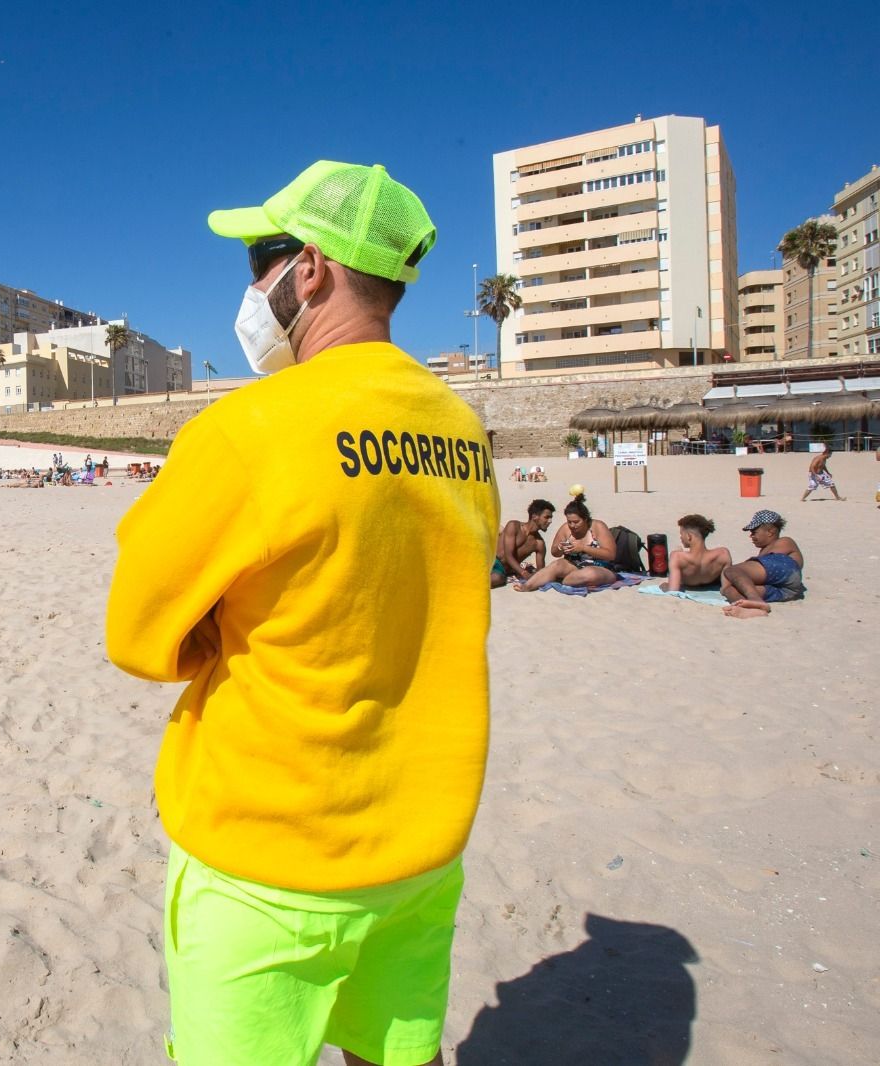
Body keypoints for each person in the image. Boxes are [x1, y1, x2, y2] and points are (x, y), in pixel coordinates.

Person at [107, 160, 496, 1066]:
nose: (253, 288)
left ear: (311, 270)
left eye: (261, 261)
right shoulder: (461, 431)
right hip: (421, 847)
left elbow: (134, 632)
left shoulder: (251, 429)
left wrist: (218, 632)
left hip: (269, 855)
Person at [514, 493, 619, 591]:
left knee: (590, 574)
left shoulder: (598, 527)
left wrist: (584, 548)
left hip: (600, 568)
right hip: (574, 567)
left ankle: (563, 581)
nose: (572, 525)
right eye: (569, 522)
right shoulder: (566, 529)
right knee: (557, 564)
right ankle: (527, 586)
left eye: (576, 522)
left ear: (585, 519)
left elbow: (611, 555)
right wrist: (560, 548)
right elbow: (554, 552)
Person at [721, 510, 804, 617]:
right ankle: (752, 609)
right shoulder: (765, 551)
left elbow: (766, 562)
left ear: (770, 532)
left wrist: (740, 569)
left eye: (754, 532)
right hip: (787, 590)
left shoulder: (784, 541)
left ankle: (755, 600)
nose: (751, 536)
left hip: (787, 570)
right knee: (730, 590)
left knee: (732, 571)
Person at [493, 499, 554, 587]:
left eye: (551, 518)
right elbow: (508, 555)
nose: (550, 521)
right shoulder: (513, 526)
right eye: (547, 517)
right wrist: (524, 573)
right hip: (491, 560)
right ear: (534, 516)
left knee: (498, 578)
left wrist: (534, 576)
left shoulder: (539, 543)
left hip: (500, 570)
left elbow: (540, 571)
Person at [664, 514, 731, 591]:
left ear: (689, 536)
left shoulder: (677, 557)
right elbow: (726, 588)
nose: (681, 537)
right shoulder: (723, 554)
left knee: (678, 549)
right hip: (710, 580)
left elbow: (673, 590)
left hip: (688, 581)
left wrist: (664, 586)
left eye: (681, 534)